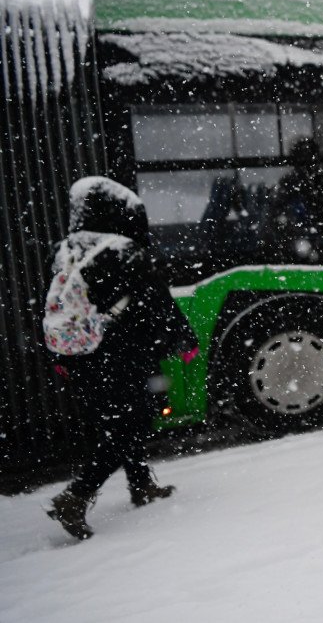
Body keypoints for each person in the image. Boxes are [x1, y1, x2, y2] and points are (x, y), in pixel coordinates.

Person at [44, 177, 199, 540]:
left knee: (115, 422)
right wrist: (183, 339)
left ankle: (141, 484)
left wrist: (59, 354)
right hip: (121, 353)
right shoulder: (124, 250)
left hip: (79, 354)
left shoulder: (66, 250)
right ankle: (77, 495)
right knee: (135, 423)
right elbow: (156, 302)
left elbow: (51, 304)